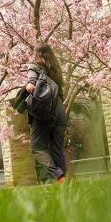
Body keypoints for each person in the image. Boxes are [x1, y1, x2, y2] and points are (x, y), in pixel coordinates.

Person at [21, 43, 67, 184]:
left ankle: (57, 174)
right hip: (59, 111)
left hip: (44, 112)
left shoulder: (34, 66)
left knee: (37, 147)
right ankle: (62, 184)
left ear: (36, 53)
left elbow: (30, 87)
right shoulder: (56, 68)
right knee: (57, 149)